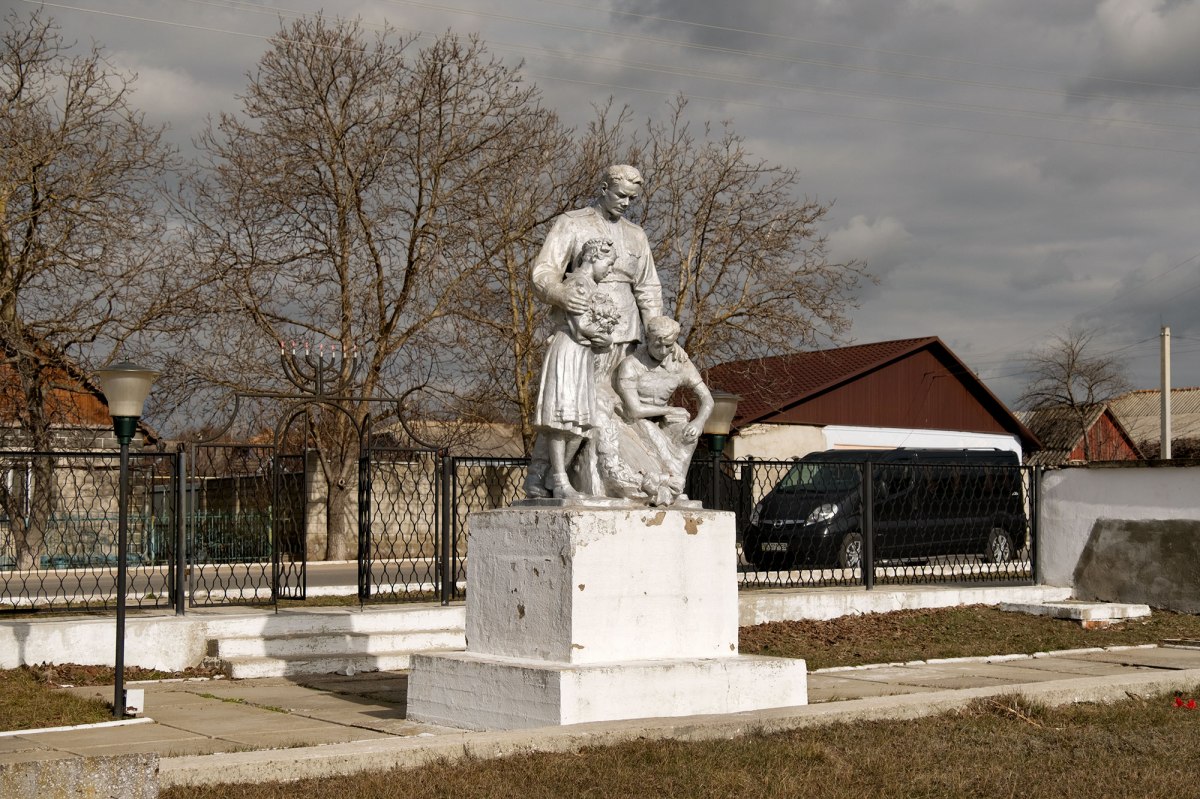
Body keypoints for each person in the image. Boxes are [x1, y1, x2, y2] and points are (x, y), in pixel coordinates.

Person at [524, 165, 665, 498]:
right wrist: (560, 294)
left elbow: (648, 288)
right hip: (582, 332)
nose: (627, 203)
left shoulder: (636, 235)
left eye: (633, 198)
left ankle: (609, 477)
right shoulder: (572, 223)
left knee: (617, 408)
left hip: (626, 333)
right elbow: (542, 272)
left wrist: (656, 331)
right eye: (621, 195)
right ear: (603, 188)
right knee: (571, 404)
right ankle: (542, 475)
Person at [532, 238, 620, 498]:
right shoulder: (578, 284)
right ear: (593, 257)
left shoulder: (591, 287)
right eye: (609, 263)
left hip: (582, 357)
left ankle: (553, 477)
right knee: (562, 419)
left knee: (582, 423)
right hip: (568, 352)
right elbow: (580, 329)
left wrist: (603, 341)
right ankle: (559, 480)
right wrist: (604, 338)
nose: (610, 269)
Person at [598, 316, 714, 506]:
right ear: (648, 340)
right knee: (652, 435)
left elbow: (707, 399)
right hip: (632, 419)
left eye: (668, 346)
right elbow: (634, 410)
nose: (662, 351)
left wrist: (699, 422)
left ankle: (676, 487)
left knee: (688, 434)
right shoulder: (631, 364)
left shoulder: (680, 362)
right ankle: (665, 487)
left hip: (662, 420)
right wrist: (669, 409)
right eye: (657, 346)